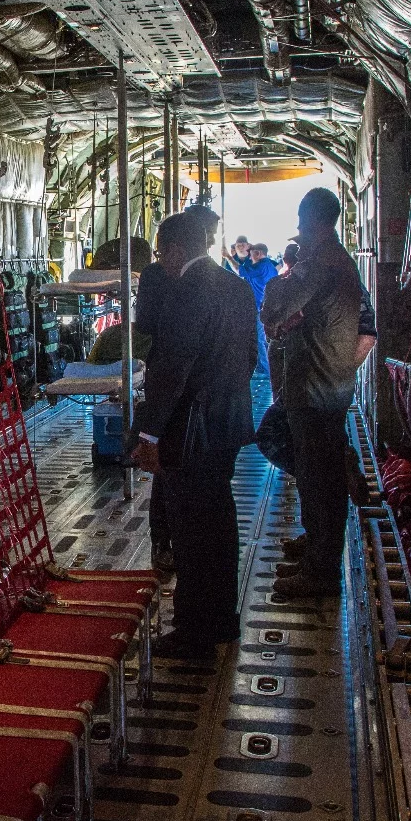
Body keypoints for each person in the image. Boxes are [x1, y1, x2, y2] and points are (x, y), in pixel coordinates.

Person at [130, 212, 257, 654]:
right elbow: (250, 358)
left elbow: (172, 369)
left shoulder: (185, 291)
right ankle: (223, 619)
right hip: (229, 422)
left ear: (178, 250)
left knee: (191, 530)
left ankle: (194, 632)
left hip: (193, 429)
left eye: (162, 252)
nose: (161, 262)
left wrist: (149, 434)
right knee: (220, 523)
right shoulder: (237, 287)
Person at [260, 187, 368, 598]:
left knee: (319, 477)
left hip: (315, 384)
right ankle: (318, 544)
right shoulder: (338, 260)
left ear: (314, 223)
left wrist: (281, 287)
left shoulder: (320, 261)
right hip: (330, 381)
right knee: (318, 472)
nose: (300, 232)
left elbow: (275, 306)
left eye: (303, 224)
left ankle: (321, 570)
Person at [242, 243, 278, 376]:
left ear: (258, 253)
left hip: (260, 307)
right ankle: (263, 367)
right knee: (261, 338)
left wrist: (227, 256)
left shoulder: (262, 266)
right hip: (263, 306)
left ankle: (266, 368)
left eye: (251, 255)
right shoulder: (268, 265)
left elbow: (240, 270)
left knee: (259, 339)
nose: (250, 258)